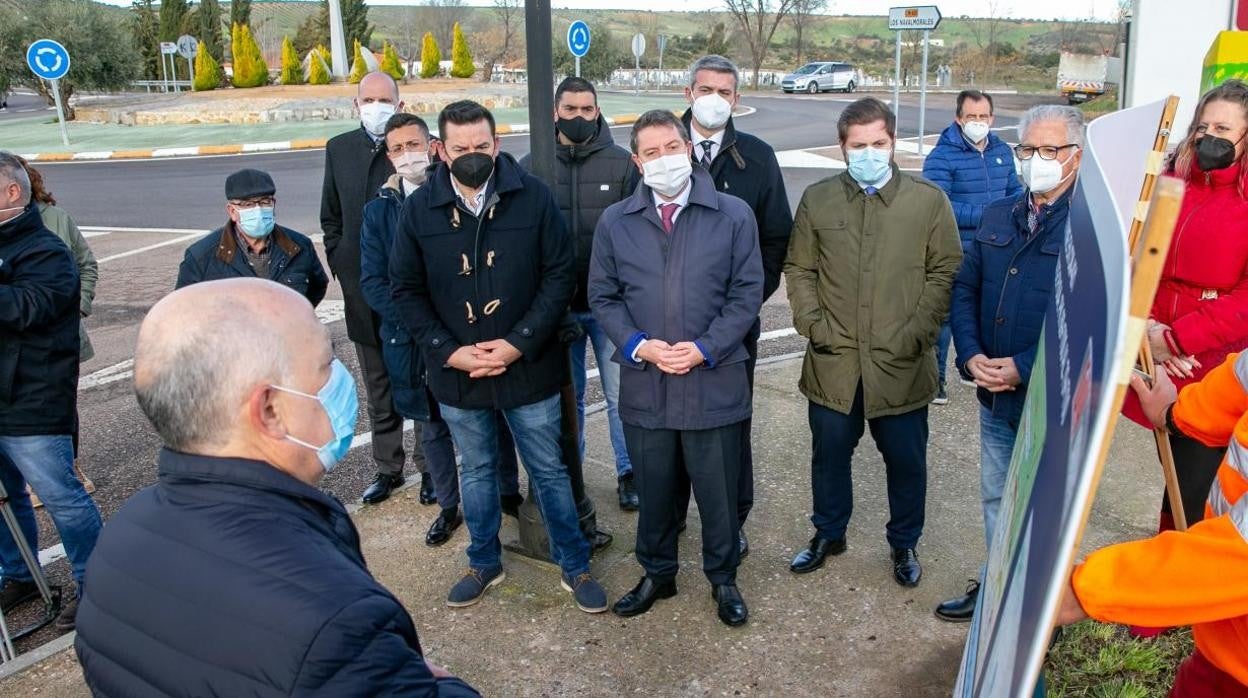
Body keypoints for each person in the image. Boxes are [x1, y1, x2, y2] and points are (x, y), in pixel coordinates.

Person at [74, 278, 478, 697]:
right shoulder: (335, 624)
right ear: (269, 409)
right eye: (326, 364)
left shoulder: (119, 541)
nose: (340, 379)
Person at [390, 100, 606, 613]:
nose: (472, 155)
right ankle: (482, 561)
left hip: (528, 366)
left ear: (496, 145)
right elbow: (406, 290)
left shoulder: (532, 197)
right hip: (460, 372)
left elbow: (559, 276)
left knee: (549, 469)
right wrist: (450, 352)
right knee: (479, 470)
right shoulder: (419, 210)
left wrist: (518, 342)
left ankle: (574, 564)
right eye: (460, 148)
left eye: (481, 146)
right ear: (440, 149)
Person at [590, 109, 762, 627]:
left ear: (688, 149)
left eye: (672, 147)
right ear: (637, 163)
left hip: (714, 380)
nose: (664, 159)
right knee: (656, 491)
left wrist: (705, 347)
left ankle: (723, 579)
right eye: (651, 152)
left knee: (719, 493)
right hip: (648, 384)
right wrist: (639, 345)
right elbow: (603, 295)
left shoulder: (732, 214)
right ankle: (658, 574)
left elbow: (746, 292)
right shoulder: (616, 222)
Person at [783, 99, 961, 588]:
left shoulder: (927, 201)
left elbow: (945, 270)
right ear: (842, 148)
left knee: (906, 461)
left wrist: (917, 333)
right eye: (858, 146)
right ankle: (828, 533)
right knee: (829, 456)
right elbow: (800, 268)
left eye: (877, 144)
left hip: (901, 363)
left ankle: (904, 542)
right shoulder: (818, 200)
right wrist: (813, 324)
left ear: (893, 143)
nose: (868, 153)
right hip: (834, 361)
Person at [935, 105, 1085, 622]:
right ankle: (999, 589)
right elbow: (967, 286)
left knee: (1048, 507)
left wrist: (1026, 364)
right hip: (993, 393)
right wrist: (970, 352)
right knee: (999, 496)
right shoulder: (1001, 213)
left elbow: (1085, 315)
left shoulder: (1090, 228)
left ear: (1076, 157)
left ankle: (1044, 606)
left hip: (1051, 396)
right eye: (1027, 150)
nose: (1035, 161)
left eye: (1049, 151)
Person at [359, 113, 523, 547]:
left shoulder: (451, 191)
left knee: (492, 421)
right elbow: (377, 281)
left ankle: (507, 495)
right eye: (396, 149)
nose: (406, 155)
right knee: (431, 426)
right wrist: (420, 324)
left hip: (464, 336)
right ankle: (448, 505)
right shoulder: (379, 210)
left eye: (413, 145)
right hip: (414, 339)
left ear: (433, 146)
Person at [1057, 353, 1248, 697]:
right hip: (1224, 648)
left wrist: (1083, 591)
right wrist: (1175, 415)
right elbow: (1239, 380)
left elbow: (1237, 553)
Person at [677, 54, 793, 558]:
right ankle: (670, 516)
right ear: (687, 93)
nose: (715, 100)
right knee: (665, 432)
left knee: (729, 431)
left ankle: (730, 523)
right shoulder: (657, 147)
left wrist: (741, 309)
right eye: (706, 89)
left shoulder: (758, 157)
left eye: (726, 92)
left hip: (731, 331)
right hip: (666, 329)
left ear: (737, 99)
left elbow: (775, 240)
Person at [1122, 79, 1248, 540]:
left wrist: (1178, 338)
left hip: (1211, 362)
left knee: (1198, 490)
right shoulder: (1170, 182)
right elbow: (1141, 258)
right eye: (1202, 125)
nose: (1207, 135)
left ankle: (1175, 599)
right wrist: (1147, 328)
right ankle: (1158, 599)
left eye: (1223, 127)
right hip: (1158, 352)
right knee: (1175, 476)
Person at [519, 76, 641, 512]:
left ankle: (630, 474)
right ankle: (572, 477)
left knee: (621, 397)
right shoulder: (532, 164)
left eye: (586, 109)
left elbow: (636, 237)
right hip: (556, 313)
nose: (578, 117)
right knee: (565, 403)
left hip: (611, 309)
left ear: (598, 110)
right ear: (555, 112)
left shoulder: (622, 164)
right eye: (569, 110)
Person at [0, 151, 102, 630]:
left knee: (61, 496)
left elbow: (26, 307)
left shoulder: (44, 250)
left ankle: (98, 585)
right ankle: (19, 573)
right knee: (5, 496)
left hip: (32, 399)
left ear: (12, 192)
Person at [322, 71, 432, 506]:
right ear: (356, 104)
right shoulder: (339, 150)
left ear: (400, 103)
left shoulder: (415, 149)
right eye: (368, 99)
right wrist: (342, 262)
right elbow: (331, 217)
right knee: (378, 386)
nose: (376, 106)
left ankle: (430, 468)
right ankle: (388, 468)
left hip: (416, 299)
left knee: (423, 382)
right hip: (365, 295)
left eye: (384, 99)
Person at [921, 90, 1022, 404]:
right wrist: (990, 216)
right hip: (956, 249)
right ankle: (935, 381)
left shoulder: (1002, 151)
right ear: (958, 119)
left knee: (984, 311)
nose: (978, 123)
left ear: (992, 118)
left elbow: (1015, 193)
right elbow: (936, 204)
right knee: (947, 318)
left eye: (983, 117)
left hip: (995, 251)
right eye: (971, 117)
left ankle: (969, 368)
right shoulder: (941, 156)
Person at [20, 156, 99, 494]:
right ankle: (28, 478)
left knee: (62, 406)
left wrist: (79, 308)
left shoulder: (55, 219)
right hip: (14, 339)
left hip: (59, 338)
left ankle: (68, 467)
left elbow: (86, 264)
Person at [176, 168, 328, 306]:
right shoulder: (201, 256)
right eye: (247, 205)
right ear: (232, 211)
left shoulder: (300, 246)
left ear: (273, 204)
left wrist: (293, 319)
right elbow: (183, 306)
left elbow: (317, 287)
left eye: (264, 202)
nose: (258, 210)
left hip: (284, 335)